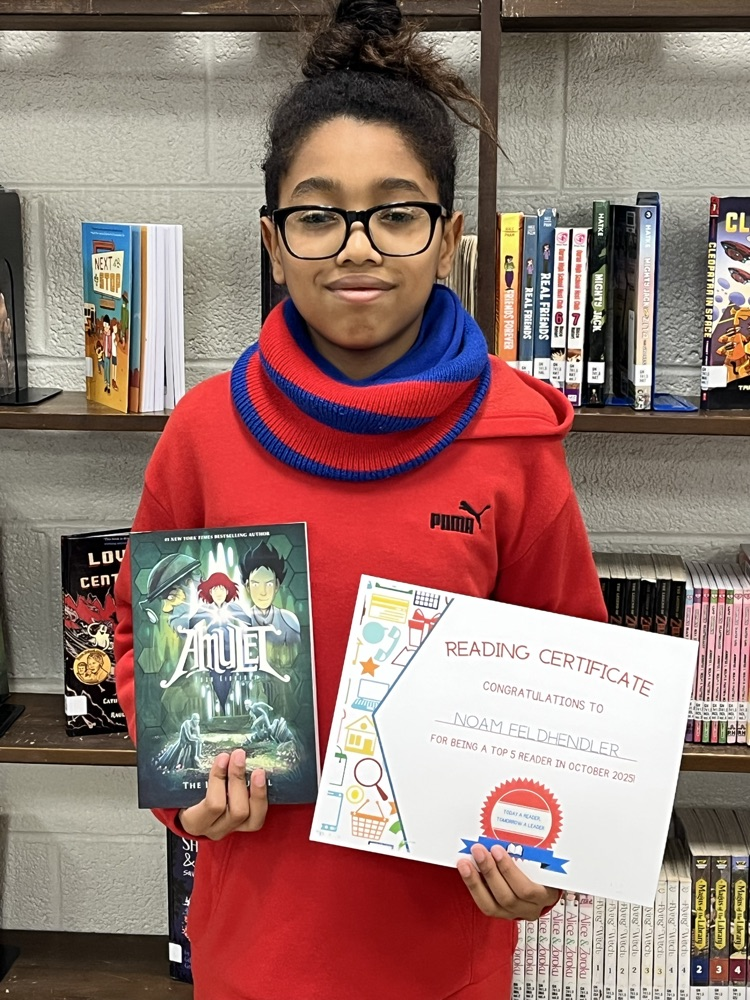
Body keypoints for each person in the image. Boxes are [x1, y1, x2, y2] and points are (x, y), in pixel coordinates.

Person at [114, 0, 607, 996]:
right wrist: (183, 795)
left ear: (449, 234)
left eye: (396, 211)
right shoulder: (206, 431)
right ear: (273, 235)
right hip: (256, 941)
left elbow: (575, 692)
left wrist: (546, 870)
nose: (356, 246)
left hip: (443, 956)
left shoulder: (515, 447)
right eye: (317, 212)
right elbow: (138, 637)